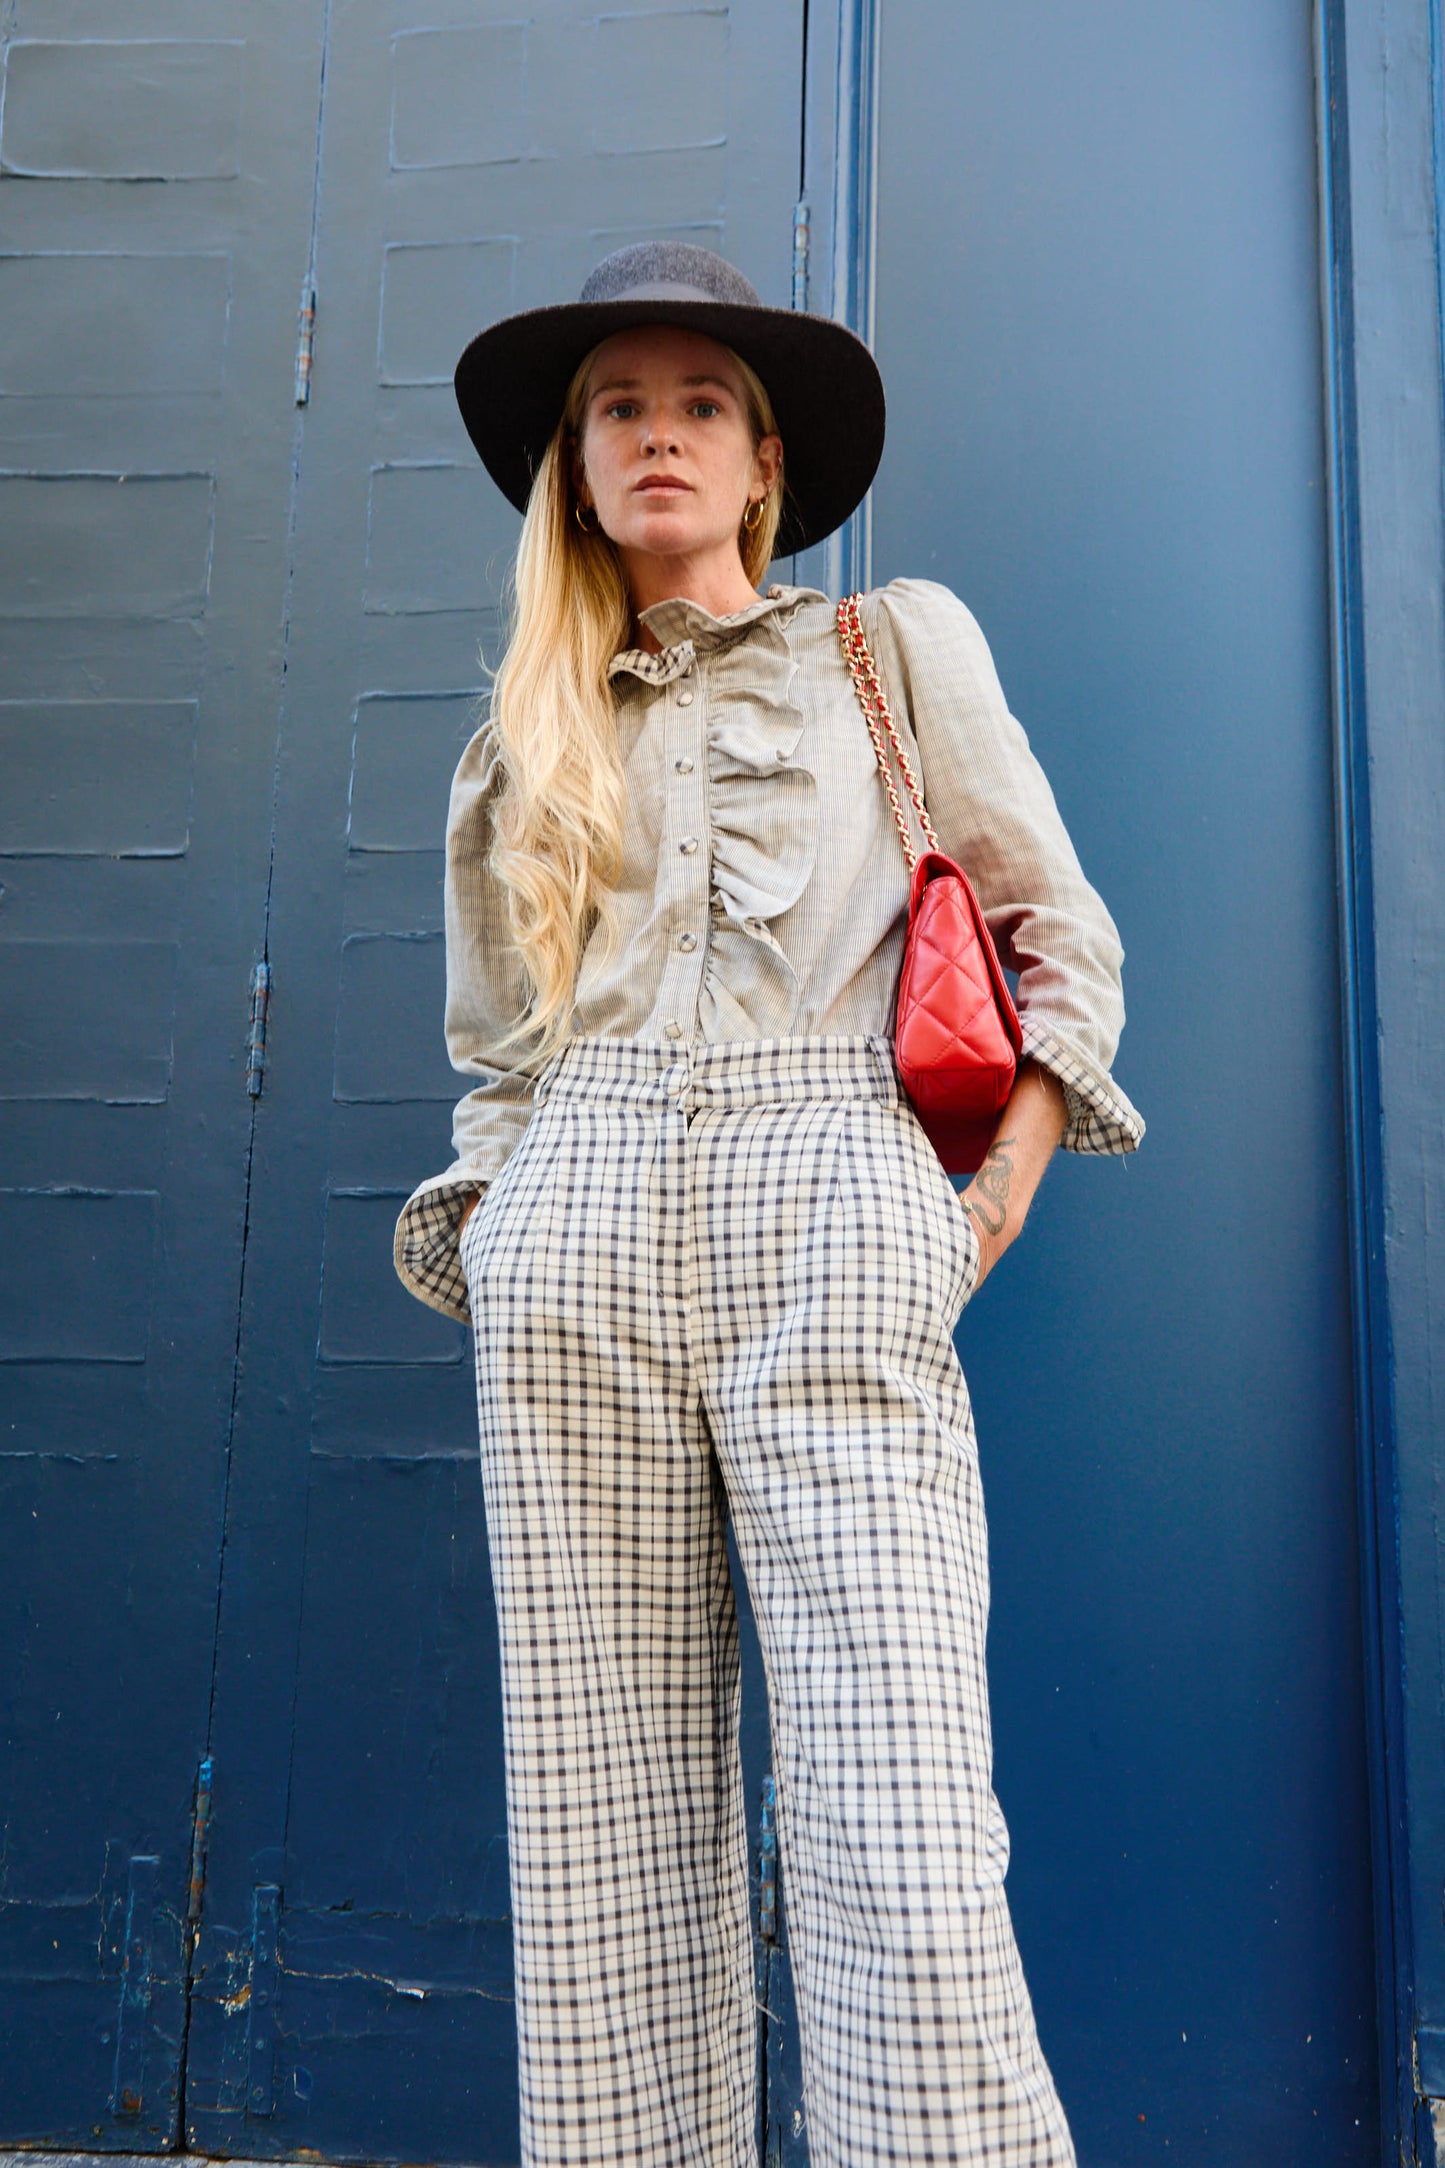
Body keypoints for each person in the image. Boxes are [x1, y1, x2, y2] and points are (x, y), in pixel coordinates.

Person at [395, 242, 1143, 2168]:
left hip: (834, 1200)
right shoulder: (518, 743)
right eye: (617, 411)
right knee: (604, 1829)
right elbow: (499, 1053)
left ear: (761, 463)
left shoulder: (889, 649)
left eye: (697, 405)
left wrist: (982, 1201)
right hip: (580, 1233)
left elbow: (1057, 931)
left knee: (896, 1806)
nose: (658, 435)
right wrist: (507, 1221)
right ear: (575, 469)